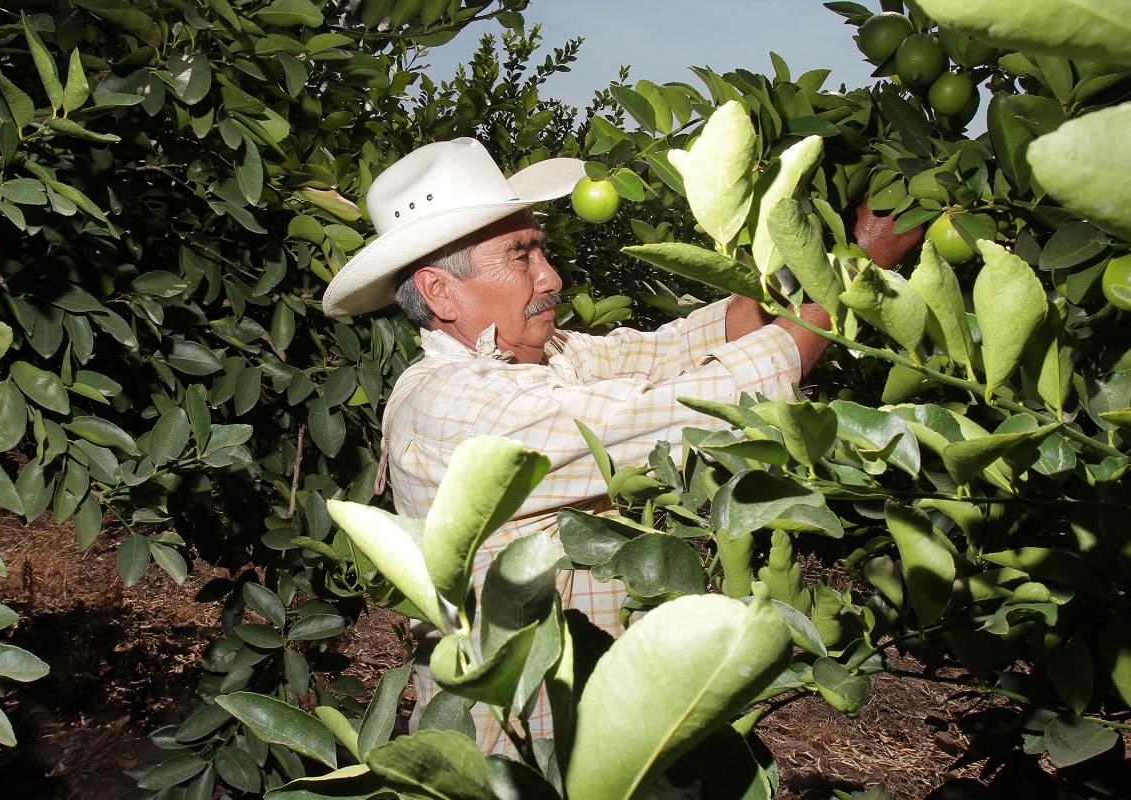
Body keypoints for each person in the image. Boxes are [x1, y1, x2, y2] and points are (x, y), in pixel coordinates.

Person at [323, 137, 836, 752]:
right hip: (519, 746)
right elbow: (666, 415)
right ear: (439, 291)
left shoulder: (540, 358)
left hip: (596, 724)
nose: (552, 277)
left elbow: (671, 349)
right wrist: (826, 310)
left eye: (542, 249)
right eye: (521, 257)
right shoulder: (450, 406)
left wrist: (813, 259)